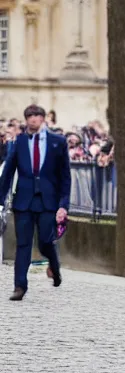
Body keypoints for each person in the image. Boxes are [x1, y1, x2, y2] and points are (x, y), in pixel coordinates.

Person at [0, 104, 71, 301]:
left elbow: (65, 177)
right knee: (23, 244)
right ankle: (19, 286)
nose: (33, 120)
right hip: (24, 200)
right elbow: (7, 174)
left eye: (36, 116)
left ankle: (54, 267)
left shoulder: (58, 142)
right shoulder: (19, 142)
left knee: (45, 243)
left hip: (48, 201)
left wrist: (64, 205)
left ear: (42, 119)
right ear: (26, 120)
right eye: (29, 116)